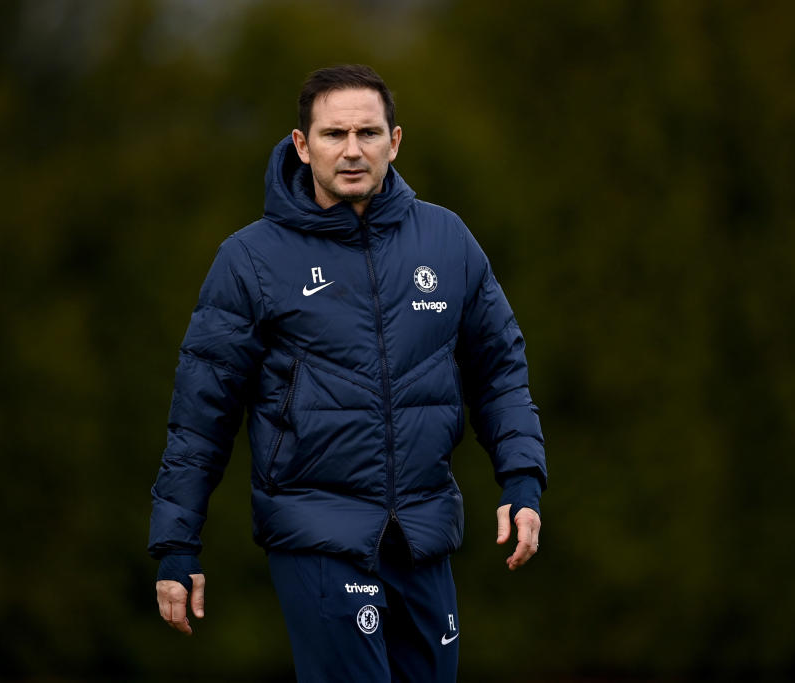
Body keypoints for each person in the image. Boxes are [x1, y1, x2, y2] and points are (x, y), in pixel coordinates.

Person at [148, 64, 546, 682]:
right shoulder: (250, 260)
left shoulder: (448, 241)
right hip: (317, 533)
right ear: (302, 146)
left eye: (368, 132)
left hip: (424, 533)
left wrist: (522, 483)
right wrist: (177, 547)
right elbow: (200, 418)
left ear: (396, 140)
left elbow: (500, 373)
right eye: (334, 134)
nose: (353, 150)